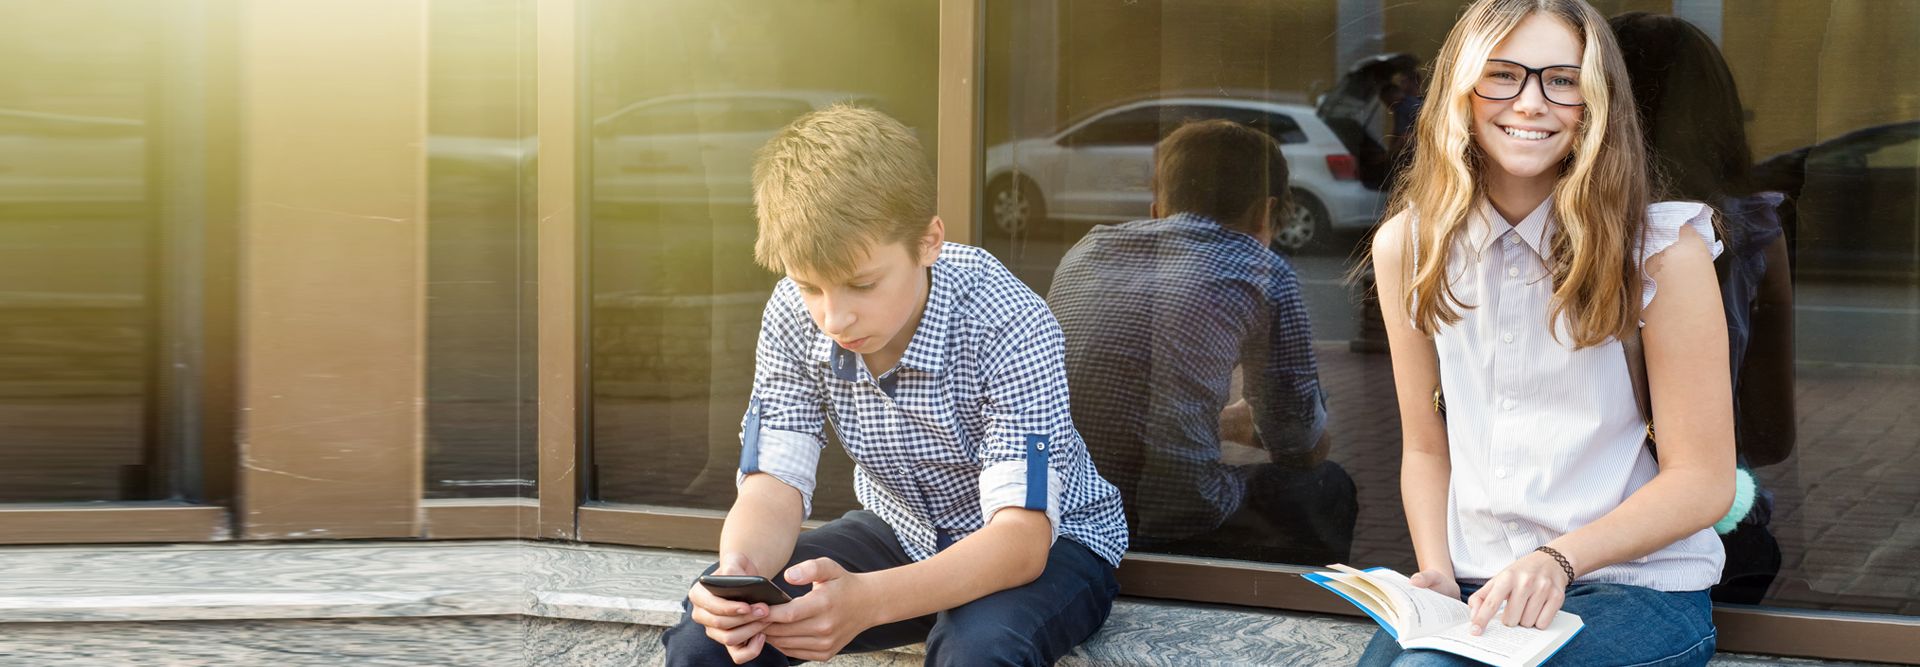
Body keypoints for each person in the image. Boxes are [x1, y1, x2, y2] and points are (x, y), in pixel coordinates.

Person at [658, 104, 1129, 666]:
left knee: (978, 650)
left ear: (928, 242)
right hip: (902, 528)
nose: (834, 319)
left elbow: (1020, 542)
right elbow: (772, 483)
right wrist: (741, 571)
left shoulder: (1009, 322)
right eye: (811, 285)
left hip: (1049, 546)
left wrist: (867, 602)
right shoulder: (790, 312)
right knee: (705, 638)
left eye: (862, 284)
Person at [1359, 1, 1734, 665]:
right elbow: (1426, 448)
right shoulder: (1409, 246)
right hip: (1480, 584)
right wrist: (1437, 571)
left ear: (1595, 101)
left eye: (1561, 80)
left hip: (1633, 586)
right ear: (1461, 91)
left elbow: (1704, 480)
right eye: (1502, 75)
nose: (1531, 102)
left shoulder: (1663, 251)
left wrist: (1557, 559)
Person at [1046, 119, 1357, 565]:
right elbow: (1299, 447)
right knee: (1329, 487)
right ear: (1264, 213)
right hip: (1171, 523)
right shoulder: (1262, 272)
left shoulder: (1084, 252)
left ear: (1157, 208)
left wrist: (1219, 422)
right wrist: (1258, 424)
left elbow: (1124, 409)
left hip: (1069, 514)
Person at [1612, 10, 1795, 606]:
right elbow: (1772, 435)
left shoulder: (1558, 234)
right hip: (1724, 529)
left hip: (1582, 534)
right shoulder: (1755, 230)